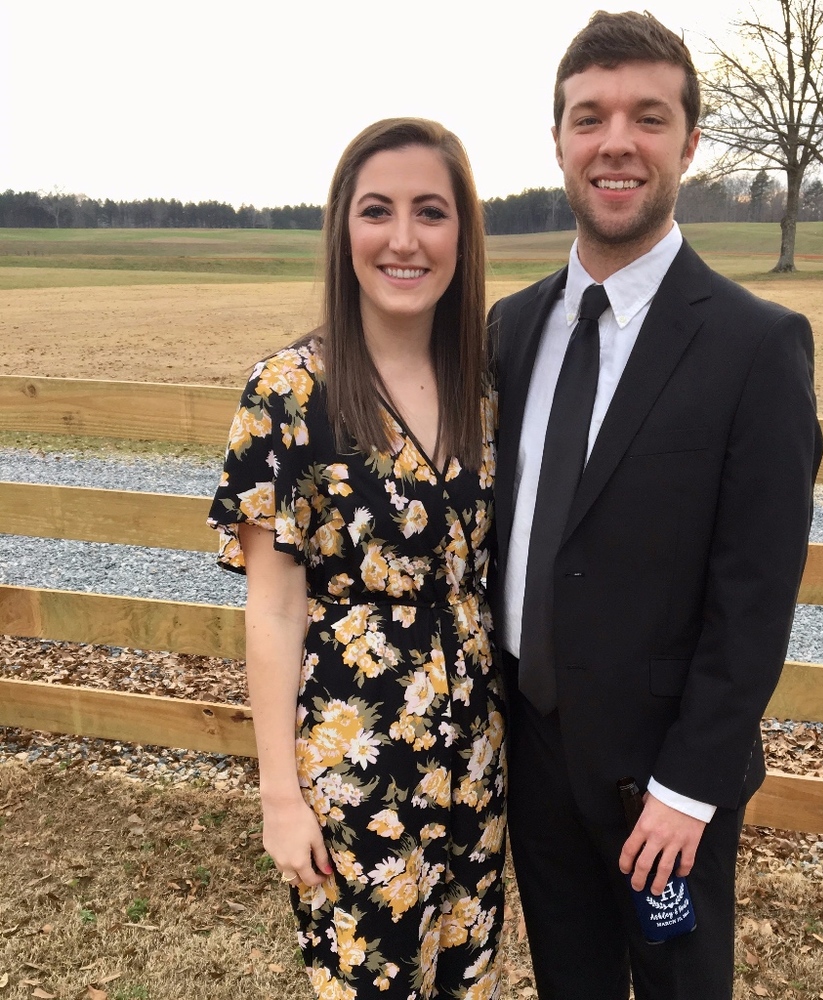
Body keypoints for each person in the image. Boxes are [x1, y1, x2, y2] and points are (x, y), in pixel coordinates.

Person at [490, 12, 823, 1000]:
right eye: (589, 117)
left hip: (663, 785)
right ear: (559, 140)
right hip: (534, 755)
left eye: (648, 116)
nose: (616, 142)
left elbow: (755, 596)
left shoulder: (756, 346)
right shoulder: (510, 330)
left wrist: (689, 788)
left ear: (689, 142)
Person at [208, 118, 505, 1000]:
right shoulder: (289, 393)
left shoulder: (486, 387)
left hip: (477, 756)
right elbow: (273, 608)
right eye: (378, 211)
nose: (404, 238)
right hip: (354, 763)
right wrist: (280, 796)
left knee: (468, 977)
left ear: (463, 234)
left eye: (431, 212)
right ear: (343, 229)